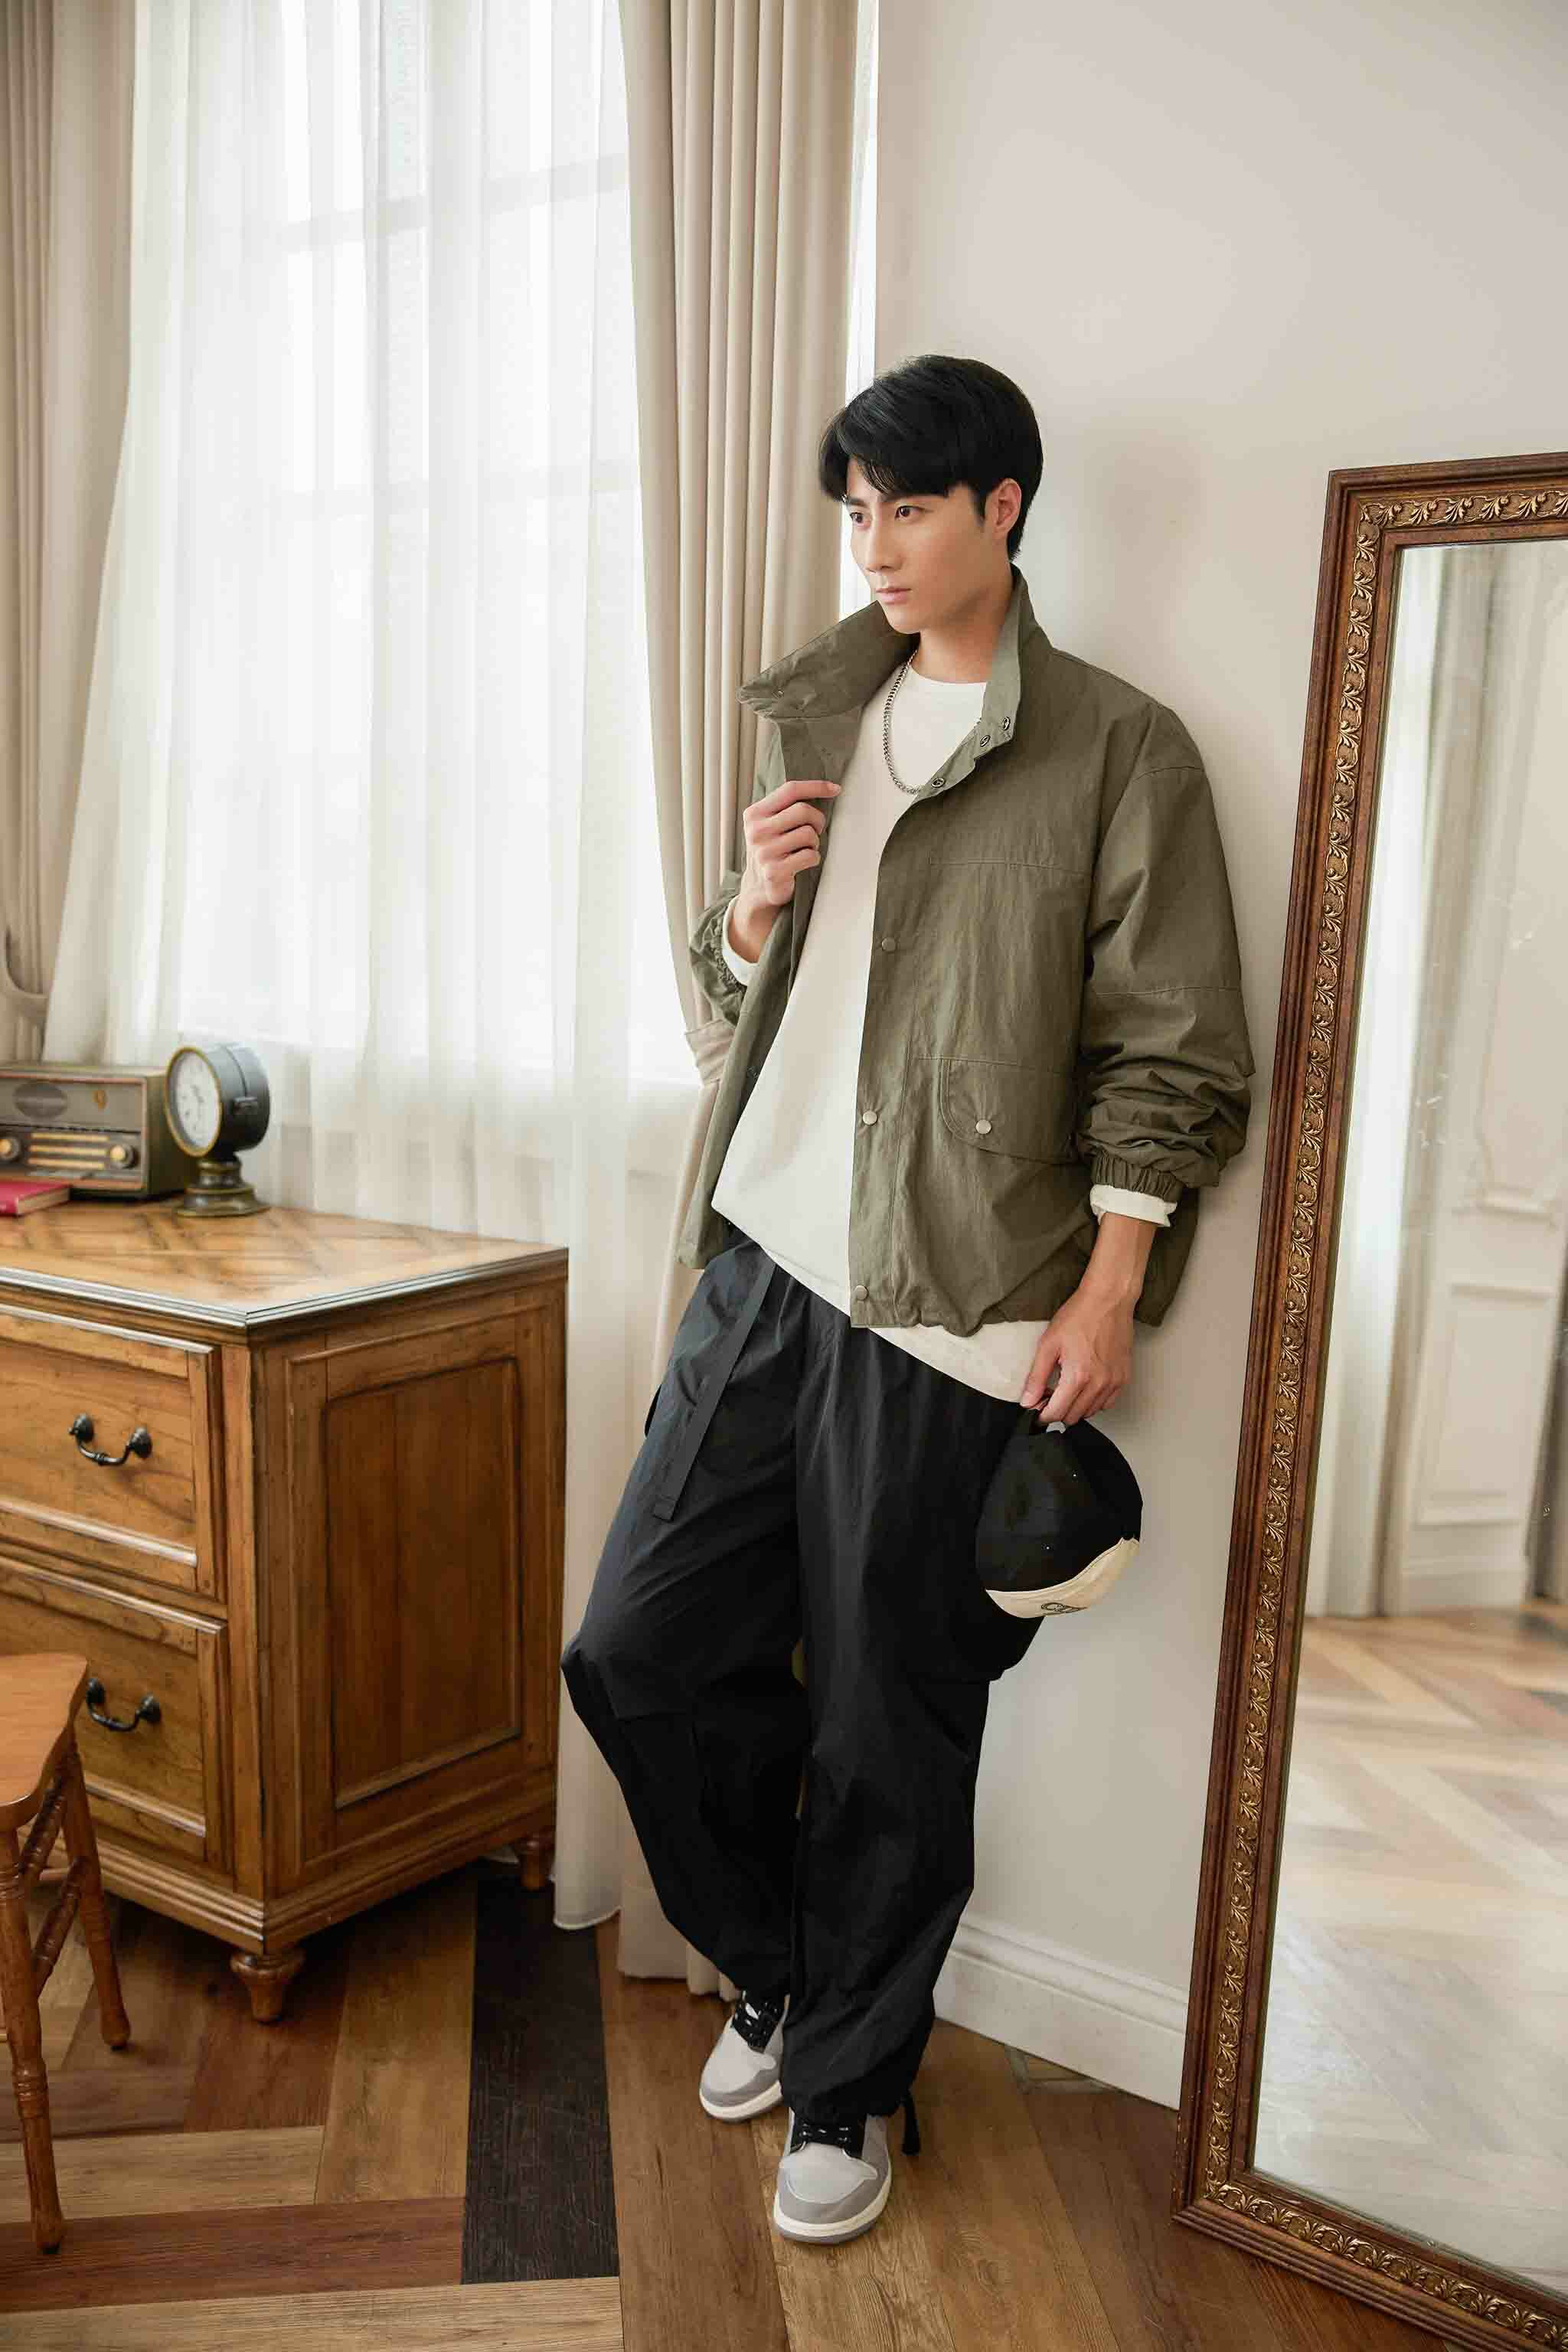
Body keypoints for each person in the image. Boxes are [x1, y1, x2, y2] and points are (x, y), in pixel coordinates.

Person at [561, 354, 1255, 2246]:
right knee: (634, 1649)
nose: (873, 545)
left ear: (1003, 510)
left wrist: (1109, 1288)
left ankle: (850, 2086)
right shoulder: (820, 716)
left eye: (912, 508)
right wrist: (744, 917)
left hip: (952, 1304)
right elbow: (738, 1014)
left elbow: (1173, 1053)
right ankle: (790, 1974)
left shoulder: (1118, 751)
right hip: (762, 1269)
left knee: (889, 1724)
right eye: (856, 511)